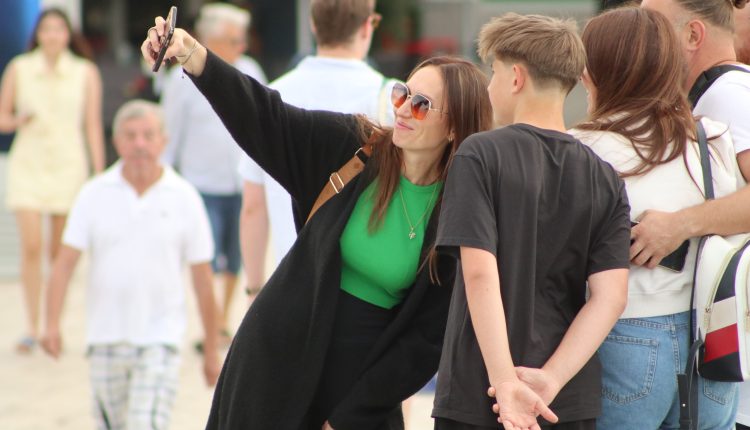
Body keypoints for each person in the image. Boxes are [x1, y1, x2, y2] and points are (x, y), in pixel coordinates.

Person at [142, 13, 492, 429]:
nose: (402, 110)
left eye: (421, 105)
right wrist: (193, 55)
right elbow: (266, 117)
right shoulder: (352, 148)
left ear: (454, 127)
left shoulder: (459, 208)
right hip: (277, 366)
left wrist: (346, 417)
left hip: (362, 394)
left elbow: (425, 341)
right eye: (402, 94)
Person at [432, 13, 631, 430]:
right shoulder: (605, 177)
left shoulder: (479, 154)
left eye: (493, 72)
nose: (489, 86)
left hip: (481, 392)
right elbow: (610, 297)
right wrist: (551, 378)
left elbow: (479, 274)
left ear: (516, 78)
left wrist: (505, 382)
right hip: (561, 400)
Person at [569, 7, 744, 428]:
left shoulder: (581, 149)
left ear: (597, 72)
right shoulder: (709, 139)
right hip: (708, 338)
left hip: (622, 335)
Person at [40, 100, 220, 430]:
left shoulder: (184, 197)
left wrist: (211, 349)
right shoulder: (93, 193)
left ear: (163, 141)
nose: (139, 144)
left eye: (148, 135)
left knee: (144, 424)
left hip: (160, 339)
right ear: (117, 141)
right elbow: (64, 265)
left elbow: (203, 279)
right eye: (131, 135)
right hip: (104, 339)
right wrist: (51, 324)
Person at [237, 0, 398, 296]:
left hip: (291, 283)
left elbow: (253, 207)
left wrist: (254, 289)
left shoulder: (272, 97)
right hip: (365, 288)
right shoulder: (392, 99)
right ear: (367, 27)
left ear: (313, 25)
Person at [0, 7, 104, 353]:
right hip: (28, 163)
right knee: (31, 246)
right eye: (46, 29)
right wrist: (18, 120)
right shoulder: (19, 68)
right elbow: (2, 117)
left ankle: (52, 324)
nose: (53, 35)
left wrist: (99, 174)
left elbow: (92, 126)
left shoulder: (85, 72)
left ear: (68, 34)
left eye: (59, 29)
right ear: (38, 34)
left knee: (60, 251)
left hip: (67, 165)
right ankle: (31, 326)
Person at [161, 3, 267, 344]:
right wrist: (165, 175)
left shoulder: (251, 69)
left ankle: (221, 319)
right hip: (200, 183)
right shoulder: (180, 78)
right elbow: (169, 131)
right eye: (235, 40)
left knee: (235, 258)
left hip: (241, 181)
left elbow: (266, 119)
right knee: (204, 257)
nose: (242, 46)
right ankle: (208, 324)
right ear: (212, 39)